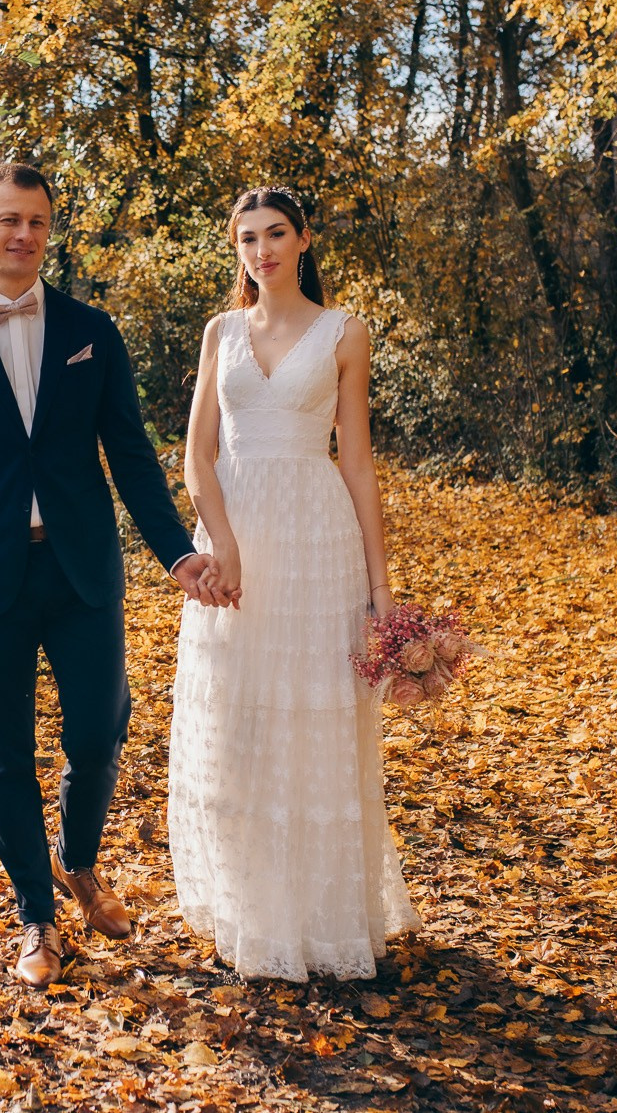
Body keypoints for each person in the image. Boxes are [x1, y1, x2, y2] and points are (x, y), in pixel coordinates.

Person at [0, 161, 221, 988]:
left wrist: (178, 551)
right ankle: (36, 917)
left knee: (99, 731)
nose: (24, 235)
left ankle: (80, 863)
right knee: (6, 754)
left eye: (37, 221)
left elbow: (133, 457)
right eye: (8, 220)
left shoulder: (90, 330)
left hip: (84, 570)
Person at [167, 186, 421, 981]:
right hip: (236, 535)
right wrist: (225, 547)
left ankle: (318, 919)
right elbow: (197, 456)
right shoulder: (220, 332)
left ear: (304, 238)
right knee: (238, 723)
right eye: (247, 237)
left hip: (318, 540)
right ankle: (252, 912)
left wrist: (382, 587)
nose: (262, 250)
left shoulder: (346, 332)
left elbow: (356, 459)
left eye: (276, 233)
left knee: (312, 721)